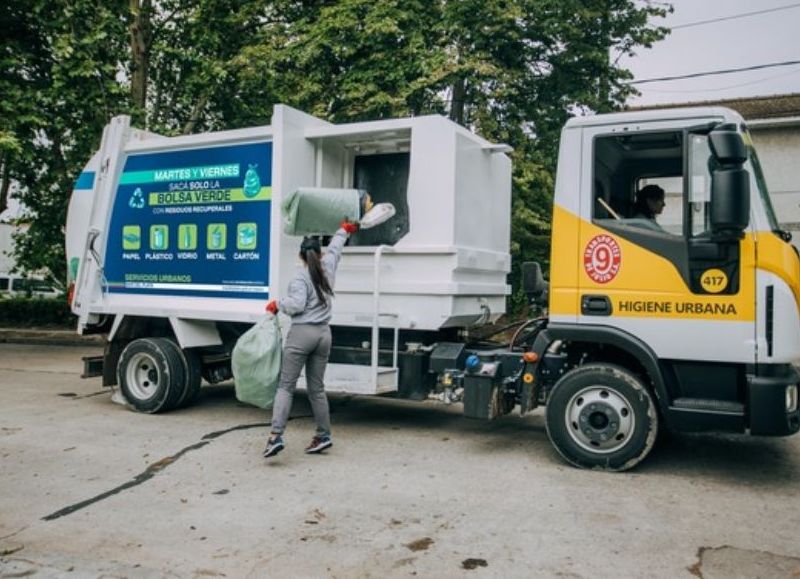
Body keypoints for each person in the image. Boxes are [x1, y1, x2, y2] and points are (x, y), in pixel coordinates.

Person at [262, 219, 358, 458]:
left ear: (301, 256)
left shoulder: (299, 277)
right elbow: (336, 247)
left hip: (302, 333)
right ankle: (323, 435)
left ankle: (275, 436)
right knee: (317, 389)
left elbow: (296, 305)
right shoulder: (328, 266)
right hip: (324, 334)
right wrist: (343, 230)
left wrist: (277, 304)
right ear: (319, 253)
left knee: (286, 386)